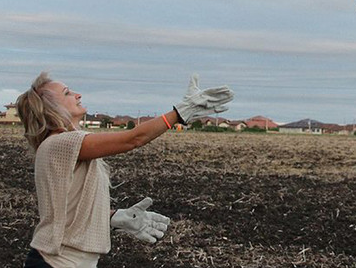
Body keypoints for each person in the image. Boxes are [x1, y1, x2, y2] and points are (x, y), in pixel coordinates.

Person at [16, 71, 234, 268]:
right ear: (50, 108)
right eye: (67, 93)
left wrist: (114, 217)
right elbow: (134, 139)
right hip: (55, 262)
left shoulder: (63, 146)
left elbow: (69, 206)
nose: (77, 94)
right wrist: (179, 113)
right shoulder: (61, 143)